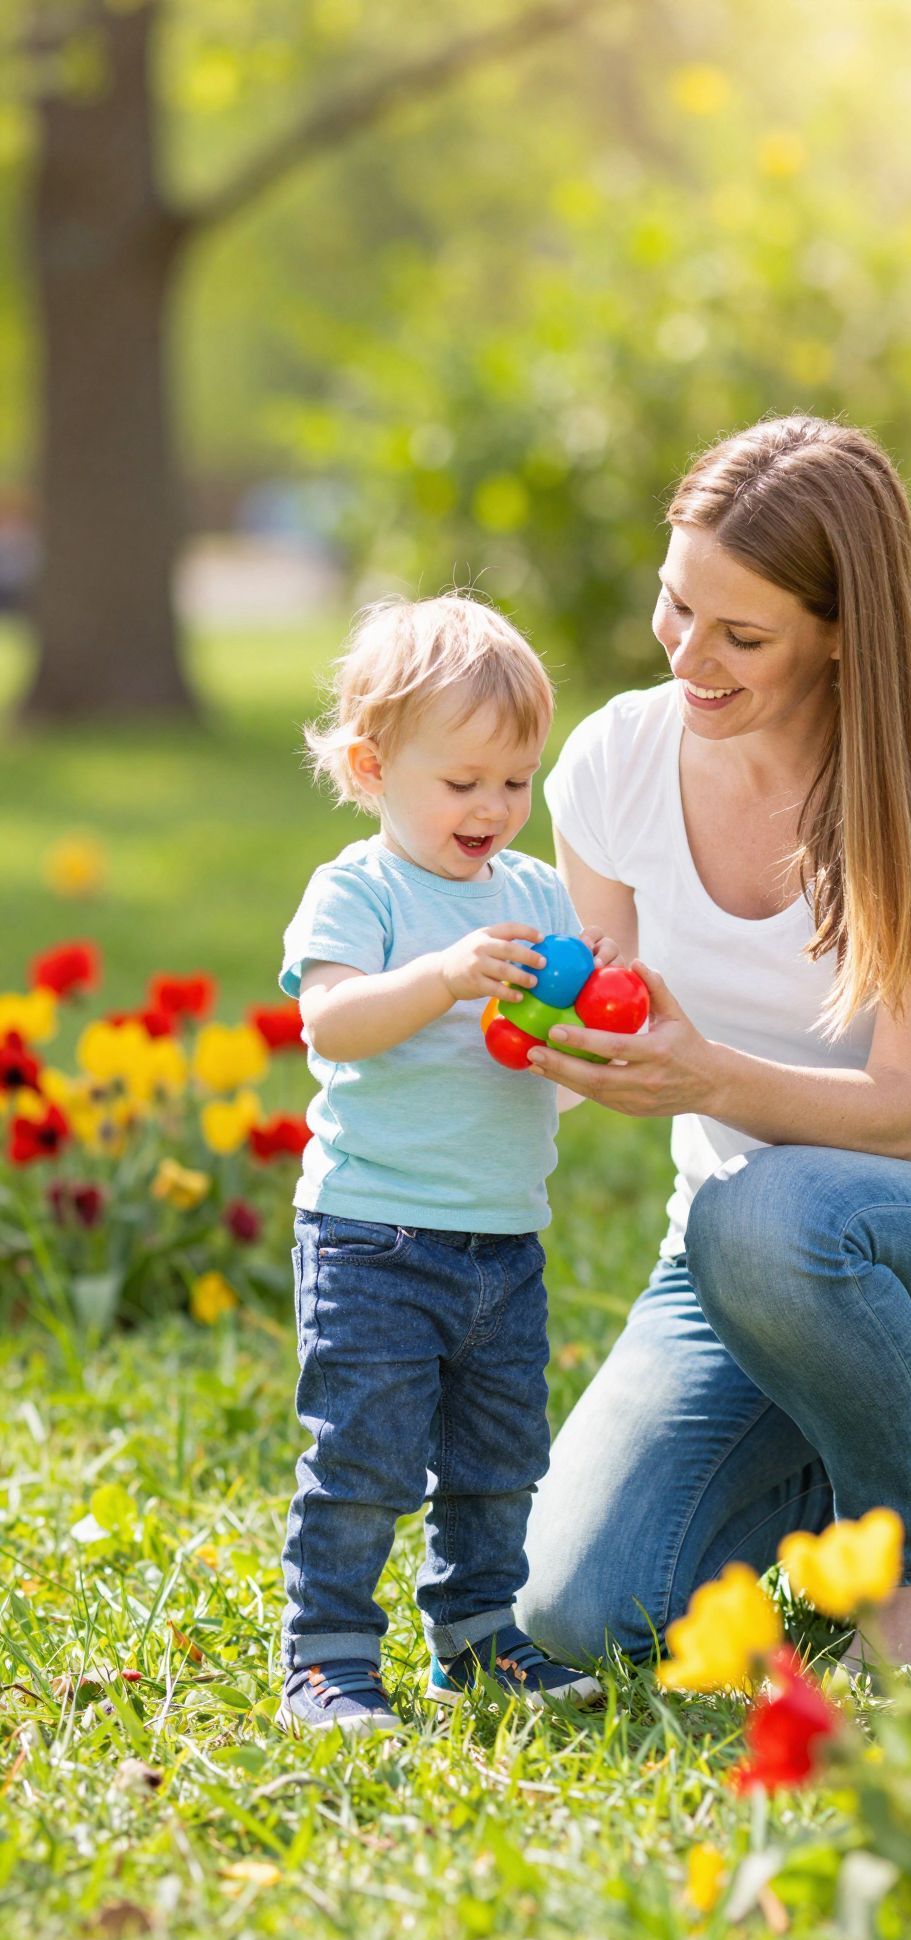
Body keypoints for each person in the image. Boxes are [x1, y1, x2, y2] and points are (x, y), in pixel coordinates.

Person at [517, 415, 911, 1673]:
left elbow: (905, 1105)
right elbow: (594, 1021)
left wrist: (708, 1078)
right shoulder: (614, 761)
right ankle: (834, 1469)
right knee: (573, 1608)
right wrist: (472, 1030)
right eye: (677, 604)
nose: (688, 654)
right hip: (740, 1268)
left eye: (741, 635)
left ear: (841, 630)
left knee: (765, 1205)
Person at [275, 594, 610, 1731]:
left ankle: (477, 1632)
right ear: (373, 768)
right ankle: (327, 1652)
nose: (494, 807)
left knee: (500, 1456)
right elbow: (333, 1021)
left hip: (503, 1239)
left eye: (516, 780)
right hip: (372, 1235)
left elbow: (561, 1037)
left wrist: (591, 1011)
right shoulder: (360, 890)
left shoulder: (535, 894)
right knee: (364, 1456)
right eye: (463, 781)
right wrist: (445, 976)